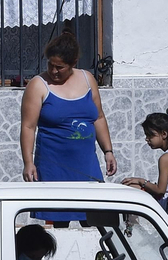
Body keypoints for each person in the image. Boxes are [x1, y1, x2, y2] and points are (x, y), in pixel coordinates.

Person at [20, 31, 117, 183]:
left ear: (73, 63)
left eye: (59, 67)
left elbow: (98, 117)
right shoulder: (38, 85)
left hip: (87, 165)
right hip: (52, 167)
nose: (53, 71)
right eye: (50, 65)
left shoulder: (88, 79)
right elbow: (28, 127)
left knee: (91, 205)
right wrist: (28, 162)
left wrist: (108, 151)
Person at [123, 109, 168, 212]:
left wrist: (141, 181)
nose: (147, 139)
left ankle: (131, 226)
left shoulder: (165, 158)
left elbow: (160, 191)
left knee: (131, 188)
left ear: (164, 134)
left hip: (164, 206)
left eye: (150, 135)